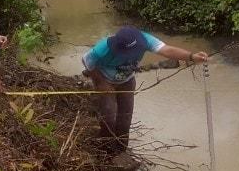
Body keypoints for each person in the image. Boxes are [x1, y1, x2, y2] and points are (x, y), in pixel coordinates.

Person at [83, 25, 209, 156]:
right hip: (105, 81)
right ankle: (105, 150)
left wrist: (192, 56)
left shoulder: (145, 40)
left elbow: (167, 50)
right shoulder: (102, 48)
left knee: (125, 118)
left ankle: (121, 152)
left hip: (127, 81)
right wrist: (101, 82)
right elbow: (87, 62)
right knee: (108, 116)